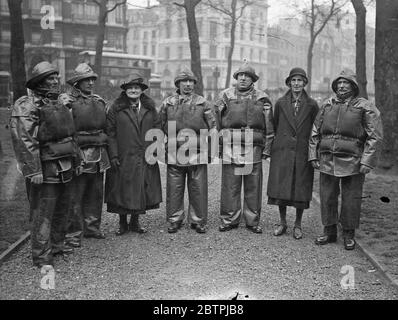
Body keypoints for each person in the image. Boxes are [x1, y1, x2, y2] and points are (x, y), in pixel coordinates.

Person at [10, 61, 80, 267]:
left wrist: (76, 160)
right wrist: (33, 171)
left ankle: (56, 246)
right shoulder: (26, 104)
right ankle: (41, 255)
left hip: (65, 165)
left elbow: (70, 135)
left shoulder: (58, 103)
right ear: (39, 82)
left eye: (56, 77)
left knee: (62, 207)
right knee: (43, 212)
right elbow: (24, 140)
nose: (55, 81)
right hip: (45, 167)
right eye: (50, 78)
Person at [309, 69, 383, 250]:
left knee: (351, 198)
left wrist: (367, 160)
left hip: (354, 161)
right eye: (339, 83)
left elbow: (375, 136)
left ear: (354, 86)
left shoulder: (365, 107)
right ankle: (329, 231)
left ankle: (349, 233)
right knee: (327, 197)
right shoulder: (327, 105)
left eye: (346, 83)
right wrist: (313, 155)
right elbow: (315, 132)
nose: (341, 86)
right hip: (327, 159)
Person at [214, 62, 274, 234]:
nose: (243, 78)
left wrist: (267, 149)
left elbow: (269, 126)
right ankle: (229, 218)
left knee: (253, 185)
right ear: (236, 77)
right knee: (229, 185)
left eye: (247, 76)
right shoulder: (225, 96)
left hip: (253, 147)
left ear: (253, 79)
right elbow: (216, 122)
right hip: (229, 145)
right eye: (240, 75)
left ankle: (252, 220)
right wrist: (217, 147)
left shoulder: (262, 98)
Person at [159, 69, 217, 234]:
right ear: (178, 83)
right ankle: (174, 220)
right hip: (174, 151)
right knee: (174, 188)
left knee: (198, 188)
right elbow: (159, 126)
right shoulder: (168, 103)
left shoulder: (203, 103)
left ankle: (198, 220)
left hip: (198, 151)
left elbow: (212, 128)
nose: (188, 84)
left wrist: (212, 152)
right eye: (185, 81)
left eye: (191, 81)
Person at [105, 74, 162, 235]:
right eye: (130, 88)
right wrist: (114, 155)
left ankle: (135, 222)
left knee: (140, 188)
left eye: (136, 88)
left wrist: (155, 151)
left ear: (141, 91)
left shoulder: (150, 109)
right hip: (123, 156)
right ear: (125, 90)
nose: (133, 90)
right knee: (121, 189)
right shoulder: (115, 109)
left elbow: (157, 130)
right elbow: (110, 133)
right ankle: (122, 223)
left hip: (143, 155)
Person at [267, 67, 319, 239]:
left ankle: (298, 224)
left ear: (305, 83)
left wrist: (313, 152)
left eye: (300, 80)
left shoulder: (312, 105)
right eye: (293, 81)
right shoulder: (281, 103)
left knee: (300, 189)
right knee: (281, 188)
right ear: (289, 83)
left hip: (302, 152)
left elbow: (315, 129)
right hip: (283, 151)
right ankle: (282, 223)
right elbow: (275, 125)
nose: (296, 84)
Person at [62, 63, 110, 247]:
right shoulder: (68, 103)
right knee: (75, 194)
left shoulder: (99, 101)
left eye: (92, 79)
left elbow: (107, 127)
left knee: (96, 192)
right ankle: (74, 233)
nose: (90, 83)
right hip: (79, 153)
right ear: (77, 83)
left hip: (99, 152)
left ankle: (92, 227)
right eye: (85, 80)